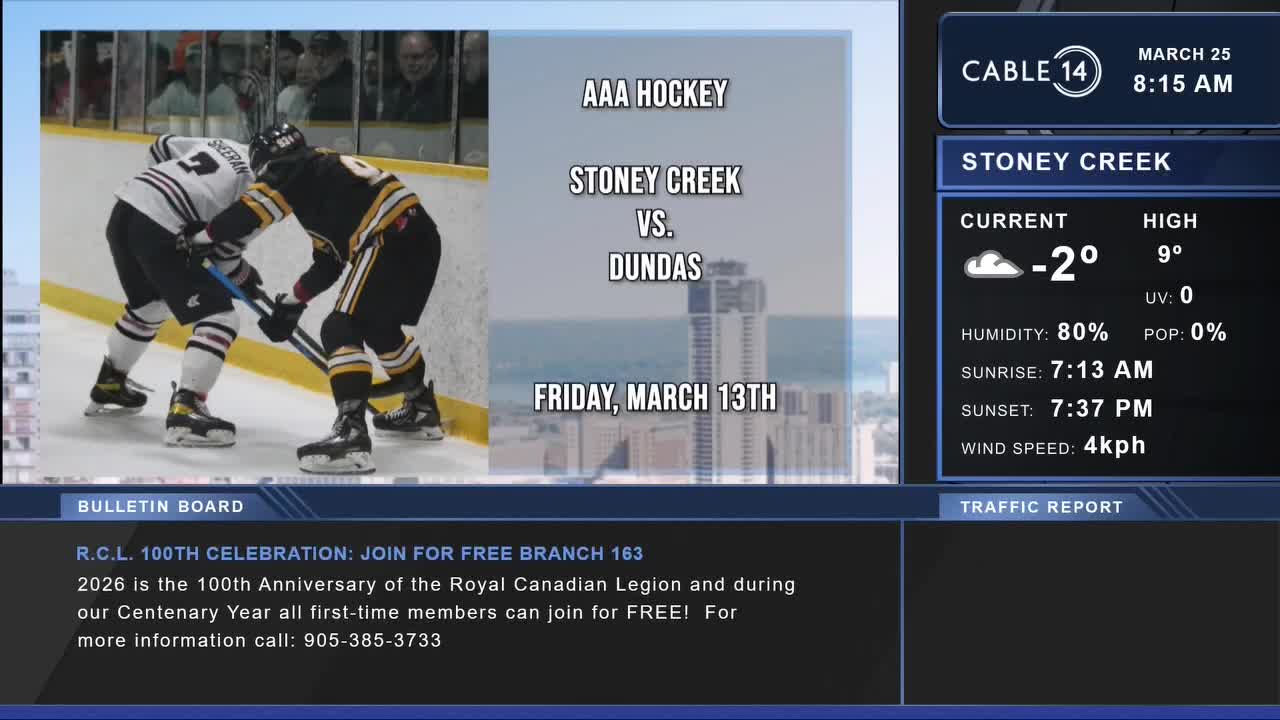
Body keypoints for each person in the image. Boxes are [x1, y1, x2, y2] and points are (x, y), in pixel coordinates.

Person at [185, 124, 444, 473]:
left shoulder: (292, 169)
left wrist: (199, 239)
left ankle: (351, 433)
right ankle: (421, 408)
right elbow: (328, 263)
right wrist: (292, 304)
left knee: (341, 327)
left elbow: (246, 214)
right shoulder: (322, 176)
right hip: (419, 235)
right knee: (379, 327)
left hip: (388, 238)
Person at [88, 134, 263, 448]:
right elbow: (223, 260)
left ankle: (110, 384)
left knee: (150, 306)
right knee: (220, 318)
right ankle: (187, 411)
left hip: (126, 208)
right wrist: (243, 276)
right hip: (160, 225)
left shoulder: (225, 144)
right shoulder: (261, 193)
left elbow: (162, 145)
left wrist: (169, 197)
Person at [147, 41, 245, 139]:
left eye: (202, 62)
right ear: (185, 66)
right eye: (191, 61)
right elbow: (150, 120)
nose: (196, 68)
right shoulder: (175, 91)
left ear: (212, 67)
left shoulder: (226, 96)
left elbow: (241, 135)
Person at [385, 31, 449, 124]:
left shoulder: (445, 96)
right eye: (404, 57)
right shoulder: (395, 96)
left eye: (416, 57)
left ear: (433, 58)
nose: (409, 63)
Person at [307, 31, 355, 122]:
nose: (319, 60)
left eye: (326, 53)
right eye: (314, 53)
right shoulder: (317, 85)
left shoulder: (343, 91)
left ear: (341, 56)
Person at [276, 52, 320, 124]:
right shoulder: (286, 94)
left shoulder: (323, 96)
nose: (303, 75)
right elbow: (282, 124)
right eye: (299, 71)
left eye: (309, 71)